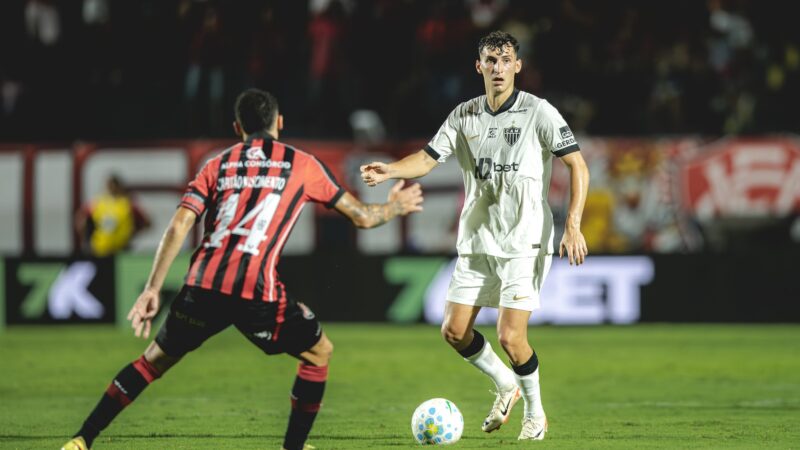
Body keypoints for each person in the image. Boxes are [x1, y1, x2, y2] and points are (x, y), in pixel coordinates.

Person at [61, 88, 424, 450]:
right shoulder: (303, 164)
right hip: (256, 291)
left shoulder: (216, 164)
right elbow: (361, 217)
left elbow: (178, 226)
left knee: (152, 361)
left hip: (202, 284)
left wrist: (153, 288)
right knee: (319, 352)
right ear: (279, 123)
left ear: (237, 127)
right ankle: (292, 448)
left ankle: (81, 439)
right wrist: (394, 208)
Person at [360, 30, 589, 441]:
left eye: (505, 60)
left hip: (524, 241)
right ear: (478, 66)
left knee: (509, 336)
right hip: (478, 240)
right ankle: (507, 384)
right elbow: (428, 159)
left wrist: (572, 223)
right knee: (453, 330)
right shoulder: (464, 115)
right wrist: (391, 169)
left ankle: (535, 415)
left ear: (518, 66)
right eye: (490, 59)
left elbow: (578, 165)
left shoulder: (540, 113)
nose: (498, 67)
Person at [74, 174, 151, 257]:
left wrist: (131, 235)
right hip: (99, 249)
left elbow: (147, 223)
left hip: (121, 251)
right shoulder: (98, 203)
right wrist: (87, 237)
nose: (112, 189)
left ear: (119, 187)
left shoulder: (127, 204)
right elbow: (81, 217)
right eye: (109, 186)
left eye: (114, 186)